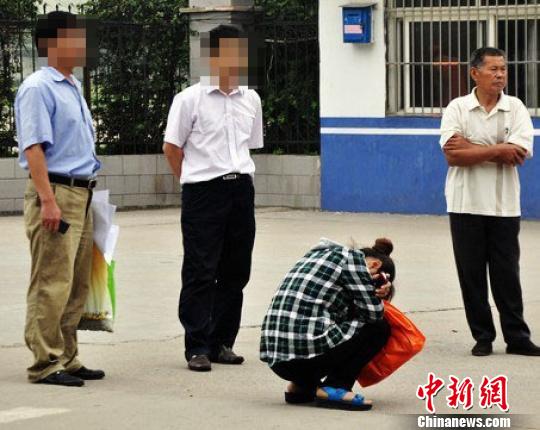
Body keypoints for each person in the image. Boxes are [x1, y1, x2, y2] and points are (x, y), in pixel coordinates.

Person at [163, 24, 263, 371]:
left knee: (236, 270)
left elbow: (250, 145)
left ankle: (222, 342)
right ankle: (197, 346)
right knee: (201, 270)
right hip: (203, 191)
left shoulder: (251, 98)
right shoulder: (189, 99)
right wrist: (191, 181)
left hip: (241, 190)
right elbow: (172, 147)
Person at [15, 11, 104, 387]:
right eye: (75, 38)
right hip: (56, 192)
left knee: (76, 282)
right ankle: (45, 362)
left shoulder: (71, 85)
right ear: (52, 43)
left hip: (81, 192)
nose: (82, 45)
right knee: (51, 280)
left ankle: (67, 355)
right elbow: (33, 147)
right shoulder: (38, 88)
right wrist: (47, 200)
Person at [440, 47, 540, 357]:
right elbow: (452, 155)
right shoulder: (457, 108)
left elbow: (518, 154)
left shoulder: (515, 108)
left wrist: (472, 147)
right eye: (493, 69)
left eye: (503, 69)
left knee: (506, 274)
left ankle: (517, 337)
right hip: (464, 203)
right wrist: (498, 150)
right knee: (471, 275)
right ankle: (482, 336)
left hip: (504, 205)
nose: (500, 75)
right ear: (475, 73)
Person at [260, 238, 395, 411]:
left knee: (330, 321)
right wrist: (377, 294)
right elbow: (373, 315)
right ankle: (337, 386)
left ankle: (302, 386)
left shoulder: (319, 253)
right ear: (375, 264)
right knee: (379, 327)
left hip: (277, 361)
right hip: (305, 359)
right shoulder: (354, 261)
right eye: (380, 280)